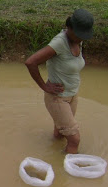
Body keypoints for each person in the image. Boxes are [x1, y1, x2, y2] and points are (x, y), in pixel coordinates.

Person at [25, 8, 94, 154]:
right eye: (79, 34)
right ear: (69, 28)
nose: (82, 38)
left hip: (72, 95)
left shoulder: (77, 40)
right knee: (74, 139)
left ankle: (54, 156)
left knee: (61, 133)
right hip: (58, 98)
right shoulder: (59, 43)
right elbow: (31, 62)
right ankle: (66, 174)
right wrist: (44, 86)